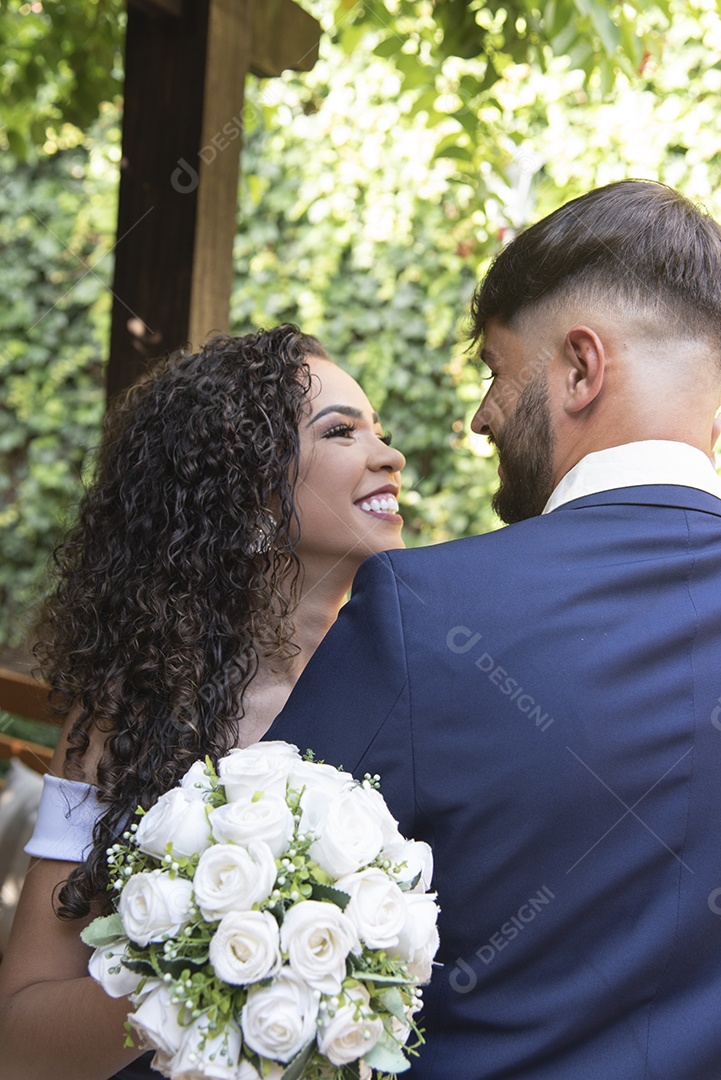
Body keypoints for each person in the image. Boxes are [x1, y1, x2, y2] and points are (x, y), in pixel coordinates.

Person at [266, 181, 721, 1079]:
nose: (479, 416)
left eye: (496, 370)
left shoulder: (424, 609)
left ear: (580, 368)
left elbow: (257, 935)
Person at [0, 324, 405, 1080]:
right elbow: (20, 1034)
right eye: (341, 431)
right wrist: (207, 970)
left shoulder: (417, 682)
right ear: (248, 494)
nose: (390, 455)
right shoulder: (129, 713)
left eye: (378, 430)